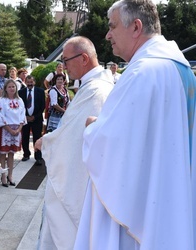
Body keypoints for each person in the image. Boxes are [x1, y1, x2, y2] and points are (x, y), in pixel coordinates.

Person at [74, 1, 196, 249]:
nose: (108, 34)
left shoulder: (142, 72)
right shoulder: (181, 68)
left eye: (112, 26)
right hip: (172, 195)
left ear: (136, 27)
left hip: (141, 204)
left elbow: (111, 147)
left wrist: (92, 127)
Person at [34, 36, 114, 250]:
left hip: (82, 182)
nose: (64, 66)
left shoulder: (96, 90)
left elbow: (77, 136)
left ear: (84, 58)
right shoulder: (93, 85)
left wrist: (48, 143)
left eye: (66, 60)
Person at [0, 79, 26, 187]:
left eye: (13, 86)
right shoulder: (2, 100)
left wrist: (19, 128)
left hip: (17, 129)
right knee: (3, 154)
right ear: (6, 89)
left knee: (12, 153)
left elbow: (23, 115)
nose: (12, 89)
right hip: (5, 129)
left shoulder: (20, 100)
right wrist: (9, 129)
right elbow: (0, 115)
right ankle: (3, 176)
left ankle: (10, 175)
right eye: (9, 87)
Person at [18, 75, 45, 165]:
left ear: (34, 82)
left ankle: (38, 157)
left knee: (37, 137)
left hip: (36, 118)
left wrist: (34, 117)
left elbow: (42, 106)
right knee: (25, 137)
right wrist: (25, 116)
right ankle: (26, 154)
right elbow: (19, 107)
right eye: (28, 82)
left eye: (31, 82)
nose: (30, 84)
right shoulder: (20, 92)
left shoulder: (40, 91)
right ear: (25, 82)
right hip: (25, 118)